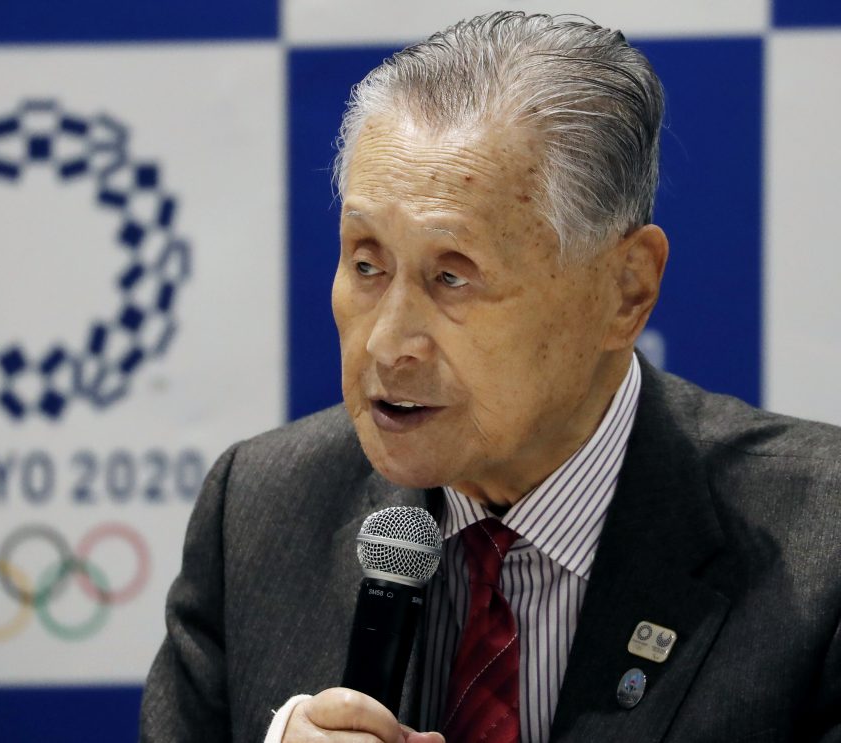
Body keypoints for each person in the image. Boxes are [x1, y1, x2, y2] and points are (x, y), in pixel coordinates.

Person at [140, 11, 841, 743]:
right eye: (367, 263)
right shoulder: (259, 513)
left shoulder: (822, 551)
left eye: (452, 276)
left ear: (625, 290)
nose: (387, 343)